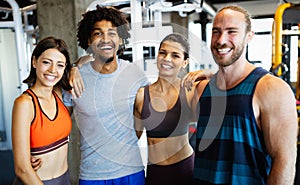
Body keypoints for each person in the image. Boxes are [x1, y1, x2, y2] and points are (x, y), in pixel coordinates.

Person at [188, 5, 298, 185]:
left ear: (249, 36)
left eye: (231, 31)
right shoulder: (201, 89)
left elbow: (284, 162)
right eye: (216, 31)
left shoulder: (271, 89)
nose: (221, 40)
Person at [63, 5, 148, 185]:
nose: (106, 39)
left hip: (131, 171)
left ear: (121, 39)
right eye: (98, 34)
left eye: (112, 33)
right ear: (88, 40)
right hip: (92, 175)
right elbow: (60, 126)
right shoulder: (74, 80)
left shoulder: (135, 74)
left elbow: (141, 120)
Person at [134, 33, 196, 185]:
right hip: (156, 173)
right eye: (163, 52)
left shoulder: (189, 91)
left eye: (175, 55)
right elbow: (132, 138)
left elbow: (223, 89)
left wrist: (205, 74)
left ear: (185, 62)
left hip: (185, 170)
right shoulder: (142, 95)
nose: (167, 59)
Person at [11, 36, 73, 185]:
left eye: (60, 65)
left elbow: (88, 60)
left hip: (65, 179)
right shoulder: (24, 103)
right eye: (46, 62)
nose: (53, 70)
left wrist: (75, 68)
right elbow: (22, 169)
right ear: (34, 62)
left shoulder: (59, 94)